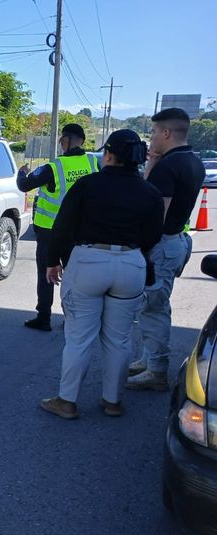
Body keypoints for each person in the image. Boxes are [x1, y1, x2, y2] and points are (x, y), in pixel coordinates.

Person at [39, 129, 164, 419]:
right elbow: (152, 236)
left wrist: (53, 260)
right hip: (131, 265)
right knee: (119, 340)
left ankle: (67, 401)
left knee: (79, 337)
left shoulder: (88, 185)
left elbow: (63, 225)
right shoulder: (150, 193)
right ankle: (113, 401)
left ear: (108, 154)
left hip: (88, 262)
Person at [126, 108, 206, 391]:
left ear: (166, 133)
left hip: (163, 243)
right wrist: (154, 163)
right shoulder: (192, 160)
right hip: (177, 240)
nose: (151, 138)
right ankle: (149, 360)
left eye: (154, 132)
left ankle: (157, 369)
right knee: (154, 305)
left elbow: (154, 211)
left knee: (154, 308)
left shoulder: (170, 166)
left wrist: (138, 248)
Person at [17, 123, 99, 331]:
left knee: (46, 274)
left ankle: (43, 317)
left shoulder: (54, 167)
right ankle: (72, 319)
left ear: (65, 140)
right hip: (80, 230)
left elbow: (24, 186)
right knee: (74, 276)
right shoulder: (93, 162)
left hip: (50, 231)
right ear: (82, 141)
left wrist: (21, 173)